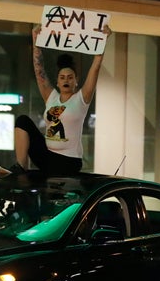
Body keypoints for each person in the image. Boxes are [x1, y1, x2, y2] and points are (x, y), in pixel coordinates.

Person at [11, 24, 111, 176]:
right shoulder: (51, 97)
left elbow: (95, 69)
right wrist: (36, 41)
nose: (66, 80)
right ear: (57, 82)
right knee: (23, 121)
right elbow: (39, 71)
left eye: (70, 78)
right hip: (47, 156)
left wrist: (103, 40)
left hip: (68, 161)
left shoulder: (81, 99)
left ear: (76, 81)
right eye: (62, 77)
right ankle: (21, 168)